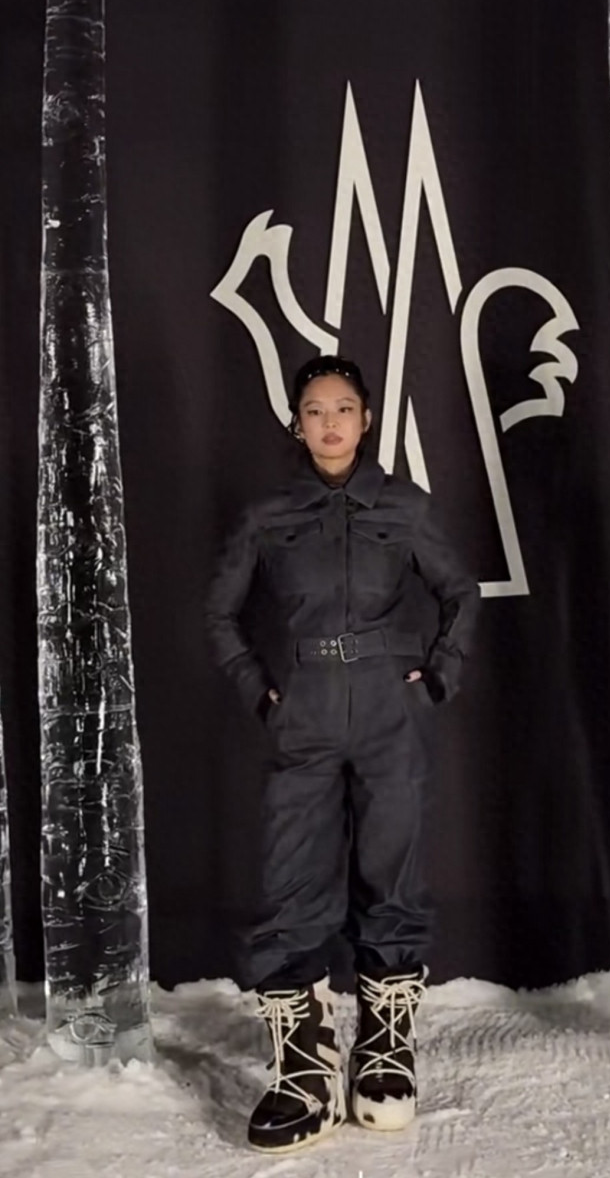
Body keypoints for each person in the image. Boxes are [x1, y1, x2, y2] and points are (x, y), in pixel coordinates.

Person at [206, 355, 479, 1154]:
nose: (330, 423)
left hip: (391, 710)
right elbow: (220, 615)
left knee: (393, 869)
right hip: (306, 709)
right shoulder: (268, 514)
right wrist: (261, 693)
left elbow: (460, 594)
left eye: (345, 408)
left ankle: (385, 1048)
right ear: (297, 424)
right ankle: (305, 1065)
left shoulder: (404, 505)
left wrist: (436, 680)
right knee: (293, 877)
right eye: (315, 410)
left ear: (366, 419)